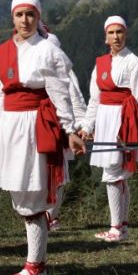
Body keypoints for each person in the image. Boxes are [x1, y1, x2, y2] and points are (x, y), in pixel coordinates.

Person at [0, 0, 85, 275]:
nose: (25, 20)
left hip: (35, 124)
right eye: (19, 15)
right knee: (19, 190)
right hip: (11, 126)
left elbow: (60, 93)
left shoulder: (47, 51)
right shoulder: (2, 51)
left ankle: (36, 265)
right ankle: (35, 263)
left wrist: (69, 129)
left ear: (38, 17)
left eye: (30, 14)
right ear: (12, 18)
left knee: (33, 192)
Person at [80, 16, 138, 242]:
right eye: (112, 33)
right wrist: (87, 125)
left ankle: (116, 227)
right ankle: (122, 225)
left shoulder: (133, 62)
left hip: (124, 119)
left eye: (120, 32)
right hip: (105, 119)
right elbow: (94, 98)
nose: (116, 37)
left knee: (114, 173)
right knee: (115, 173)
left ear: (125, 34)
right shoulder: (100, 63)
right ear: (105, 37)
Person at [44, 32, 87, 231]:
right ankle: (41, 214)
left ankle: (51, 216)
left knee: (58, 173)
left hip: (60, 125)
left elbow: (74, 97)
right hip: (40, 124)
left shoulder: (64, 71)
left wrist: (80, 125)